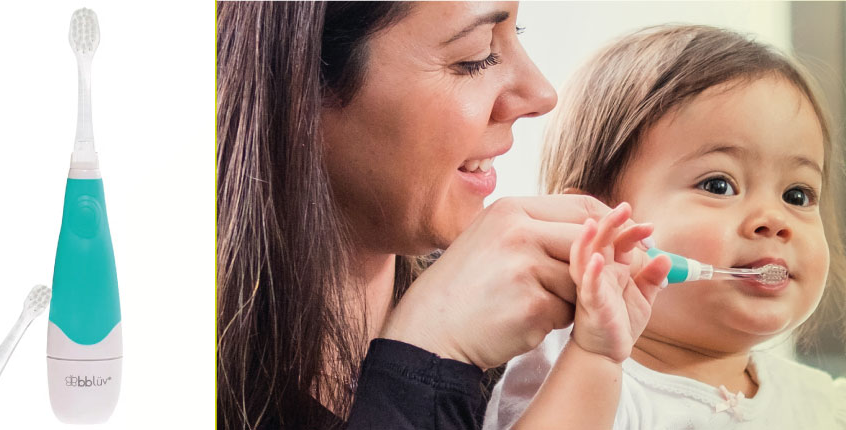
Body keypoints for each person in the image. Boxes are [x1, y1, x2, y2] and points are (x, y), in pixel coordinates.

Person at [215, 2, 669, 428]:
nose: (542, 93)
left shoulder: (532, 354)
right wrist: (425, 362)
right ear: (297, 89)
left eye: (517, 32)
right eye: (476, 57)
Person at [485, 24, 846, 429]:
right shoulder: (573, 383)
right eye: (718, 185)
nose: (775, 221)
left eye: (797, 195)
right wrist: (596, 355)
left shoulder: (827, 410)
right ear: (594, 222)